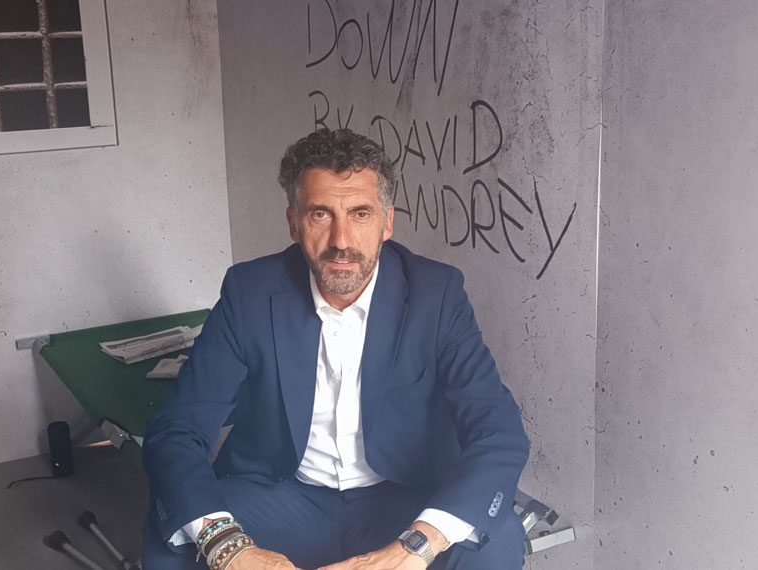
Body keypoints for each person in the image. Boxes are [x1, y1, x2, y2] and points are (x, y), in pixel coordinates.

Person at [141, 128, 530, 570]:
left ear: (387, 223)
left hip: (401, 499)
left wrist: (416, 547)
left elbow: (498, 432)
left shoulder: (436, 295)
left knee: (495, 542)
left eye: (360, 214)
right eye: (320, 214)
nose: (341, 240)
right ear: (294, 223)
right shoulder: (249, 292)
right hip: (281, 496)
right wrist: (230, 548)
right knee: (171, 540)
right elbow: (177, 429)